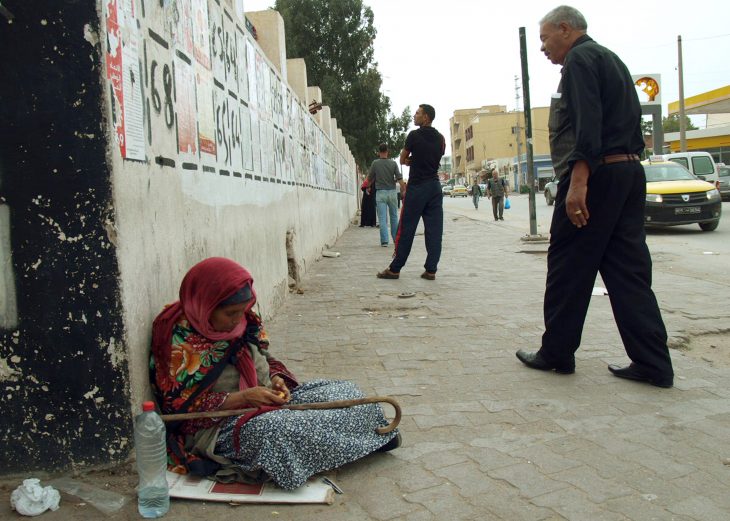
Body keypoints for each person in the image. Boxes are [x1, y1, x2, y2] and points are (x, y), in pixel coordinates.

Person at [515, 6, 674, 388]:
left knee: (569, 265)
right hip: (629, 172)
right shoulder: (612, 59)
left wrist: (579, 180)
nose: (542, 48)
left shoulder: (580, 60)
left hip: (597, 174)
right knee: (627, 272)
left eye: (544, 38)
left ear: (565, 30)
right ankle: (653, 363)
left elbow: (588, 122)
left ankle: (556, 352)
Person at [150, 257, 400, 490]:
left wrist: (277, 380)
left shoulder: (243, 320)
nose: (238, 320)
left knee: (345, 392)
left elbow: (266, 358)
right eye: (230, 314)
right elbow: (179, 410)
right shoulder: (177, 340)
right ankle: (368, 441)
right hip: (220, 424)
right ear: (205, 305)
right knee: (279, 431)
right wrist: (244, 398)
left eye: (242, 311)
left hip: (262, 401)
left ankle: (364, 439)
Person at [376, 104, 445, 280]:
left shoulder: (414, 136)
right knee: (435, 231)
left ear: (426, 118)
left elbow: (402, 158)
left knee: (406, 229)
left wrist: (411, 161)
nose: (414, 116)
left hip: (417, 188)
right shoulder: (441, 138)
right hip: (435, 188)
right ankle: (431, 270)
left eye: (418, 113)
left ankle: (395, 269)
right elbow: (434, 156)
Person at [367, 143, 406, 247]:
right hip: (393, 193)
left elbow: (370, 178)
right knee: (394, 217)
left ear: (379, 152)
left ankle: (384, 241)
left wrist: (368, 187)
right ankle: (395, 239)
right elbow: (399, 177)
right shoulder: (393, 164)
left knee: (382, 218)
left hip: (380, 193)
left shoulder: (375, 163)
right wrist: (403, 189)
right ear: (387, 152)